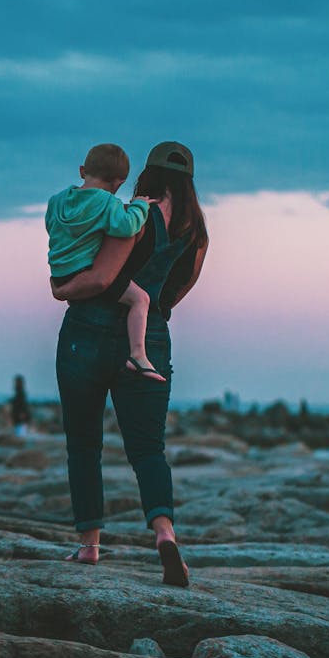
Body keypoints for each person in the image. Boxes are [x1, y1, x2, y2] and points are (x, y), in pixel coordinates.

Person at [49, 141, 208, 587]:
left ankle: (89, 545)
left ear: (146, 175)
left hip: (89, 330)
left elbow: (102, 277)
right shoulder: (197, 230)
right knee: (148, 449)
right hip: (150, 336)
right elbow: (180, 288)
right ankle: (164, 532)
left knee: (84, 443)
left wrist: (61, 290)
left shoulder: (137, 215)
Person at [46, 143, 165, 382]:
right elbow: (127, 226)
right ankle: (138, 355)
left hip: (60, 271)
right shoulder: (107, 203)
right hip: (85, 271)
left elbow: (50, 224)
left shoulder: (57, 200)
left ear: (82, 171)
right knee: (140, 299)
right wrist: (140, 205)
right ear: (119, 182)